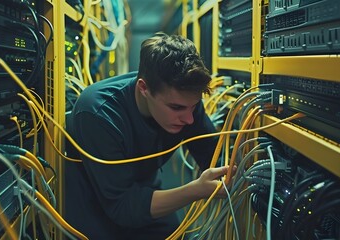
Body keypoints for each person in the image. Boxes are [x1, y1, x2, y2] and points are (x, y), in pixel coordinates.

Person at [64, 33, 230, 239]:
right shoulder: (98, 113)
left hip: (143, 195)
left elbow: (213, 156)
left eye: (193, 107)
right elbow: (121, 207)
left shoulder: (185, 103)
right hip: (96, 208)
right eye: (176, 108)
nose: (189, 119)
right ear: (143, 88)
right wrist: (195, 190)